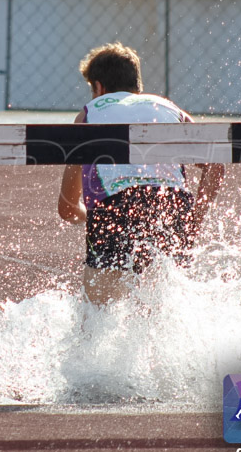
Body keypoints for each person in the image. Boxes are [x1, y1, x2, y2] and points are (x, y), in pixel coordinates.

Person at [57, 42, 225, 304]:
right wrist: (193, 221)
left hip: (115, 206)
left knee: (98, 314)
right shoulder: (169, 108)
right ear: (137, 85)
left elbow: (67, 208)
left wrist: (87, 217)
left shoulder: (90, 113)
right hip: (172, 205)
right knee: (162, 309)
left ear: (99, 87)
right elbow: (215, 163)